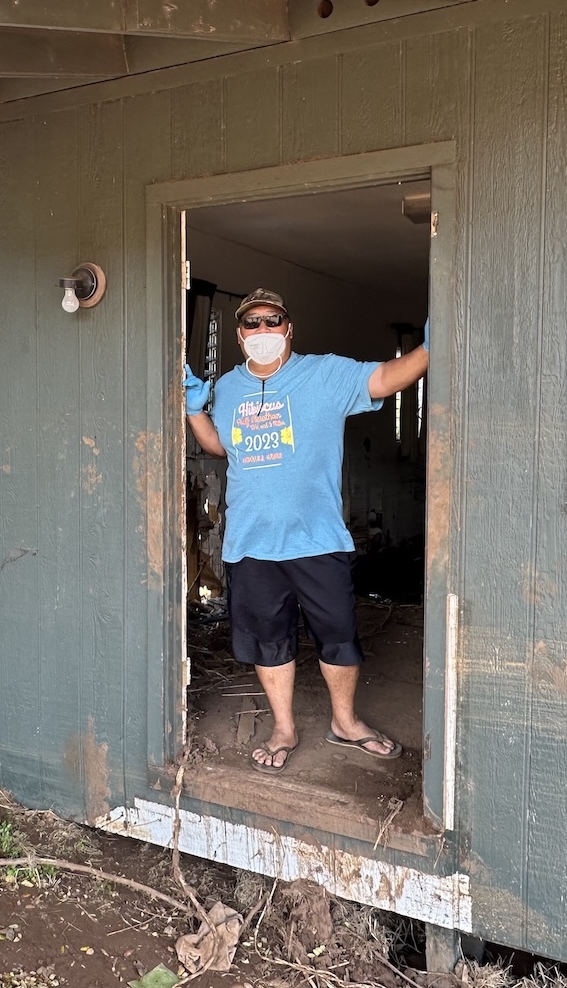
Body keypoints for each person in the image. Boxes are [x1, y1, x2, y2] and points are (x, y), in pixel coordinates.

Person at [183, 288, 429, 773]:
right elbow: (220, 447)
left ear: (288, 328)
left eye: (271, 321)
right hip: (251, 544)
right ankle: (284, 728)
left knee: (338, 634)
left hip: (316, 539)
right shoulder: (228, 387)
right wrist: (195, 409)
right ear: (238, 334)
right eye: (251, 323)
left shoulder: (324, 374)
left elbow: (384, 378)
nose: (261, 331)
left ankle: (345, 723)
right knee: (270, 640)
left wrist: (428, 350)